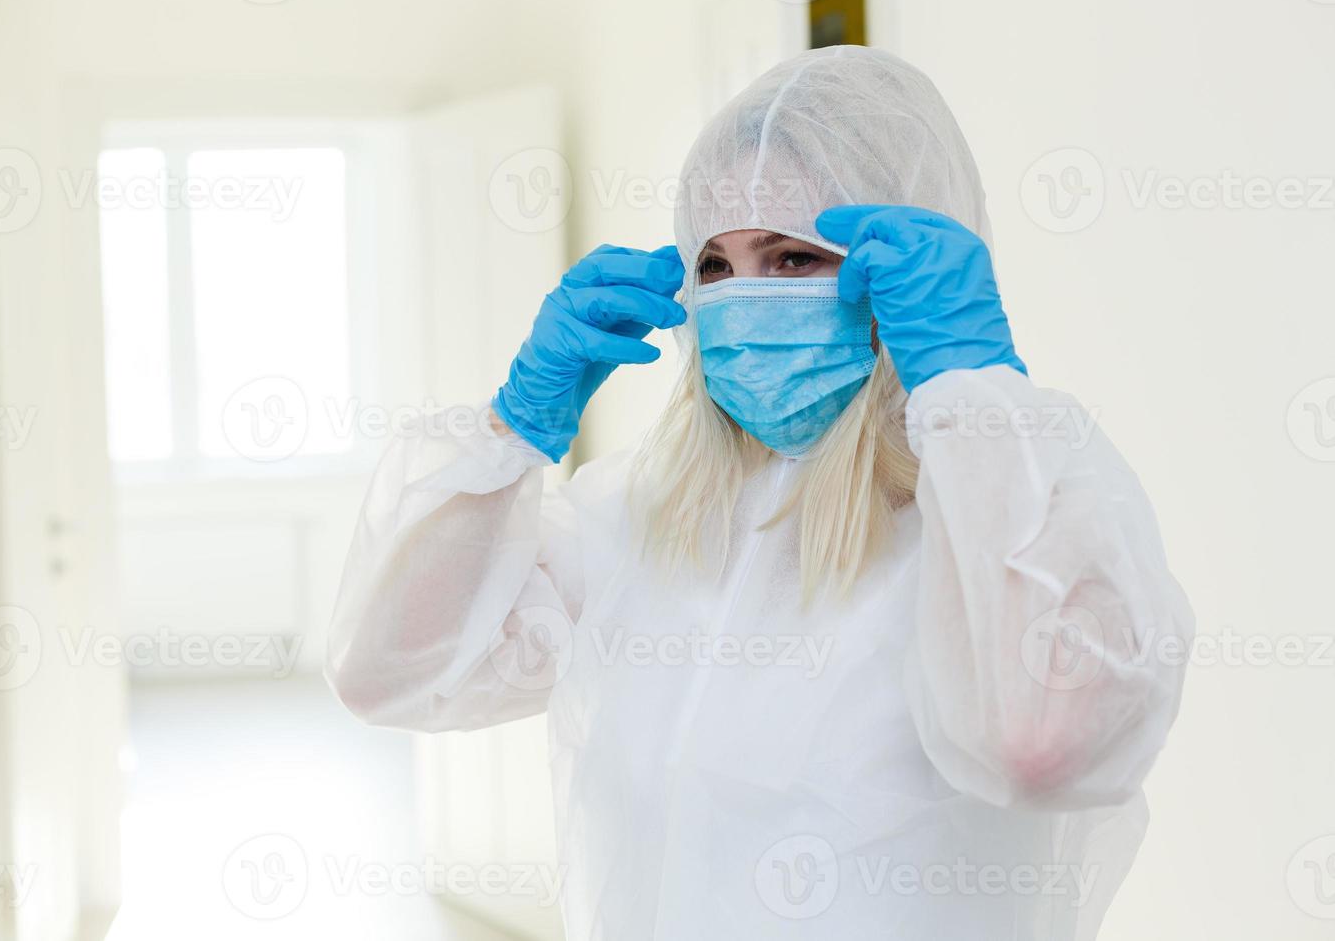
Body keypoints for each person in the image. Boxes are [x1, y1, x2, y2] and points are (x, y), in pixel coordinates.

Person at [326, 45, 1192, 939]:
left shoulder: (1002, 517)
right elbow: (392, 673)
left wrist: (974, 392)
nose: (745, 298)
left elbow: (1043, 750)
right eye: (716, 266)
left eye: (791, 259)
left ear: (900, 266)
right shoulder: (646, 514)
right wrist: (515, 427)